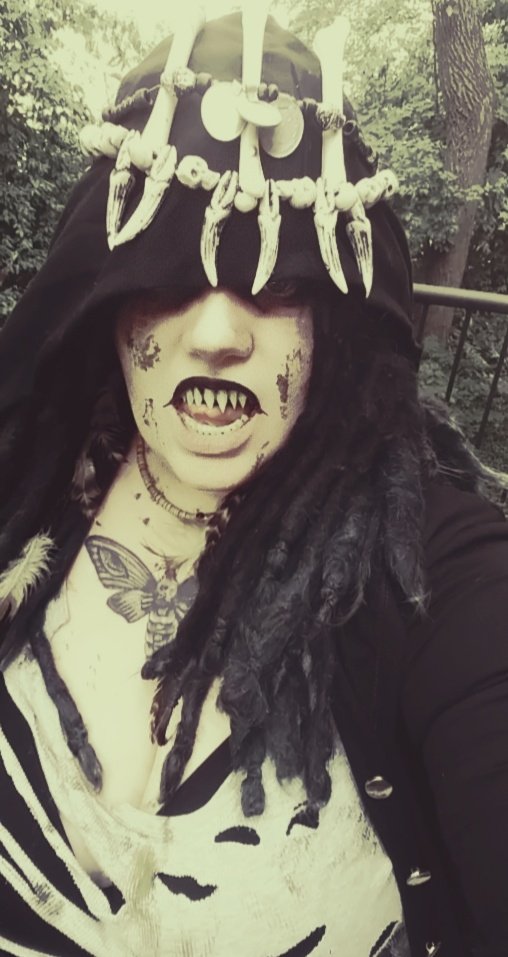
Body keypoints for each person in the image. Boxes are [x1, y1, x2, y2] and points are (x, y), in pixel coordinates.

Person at [0, 6, 507, 956]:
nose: (217, 335)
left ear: (336, 322)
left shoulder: (431, 575)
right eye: (169, 276)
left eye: (276, 286)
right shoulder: (21, 487)